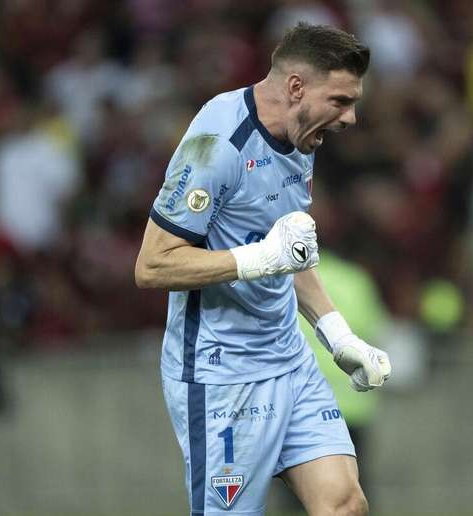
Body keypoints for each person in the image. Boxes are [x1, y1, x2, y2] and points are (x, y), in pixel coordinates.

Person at [134, 23, 391, 516]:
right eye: (340, 100)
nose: (351, 118)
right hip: (222, 375)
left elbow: (288, 253)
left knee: (344, 505)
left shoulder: (300, 141)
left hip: (289, 360)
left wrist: (338, 336)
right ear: (296, 87)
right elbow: (152, 265)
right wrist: (257, 261)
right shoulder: (217, 144)